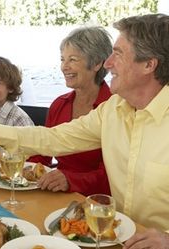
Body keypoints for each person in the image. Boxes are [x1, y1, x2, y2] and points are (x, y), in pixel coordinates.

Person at [0, 14, 169, 249]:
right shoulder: (114, 109)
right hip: (121, 248)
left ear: (149, 65)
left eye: (119, 54)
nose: (108, 63)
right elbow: (54, 138)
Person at [29, 27, 112, 196]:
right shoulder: (59, 105)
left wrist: (69, 180)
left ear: (97, 63)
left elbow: (112, 175)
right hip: (57, 192)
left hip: (96, 201)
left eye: (72, 60)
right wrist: (25, 168)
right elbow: (42, 155)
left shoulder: (114, 109)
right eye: (62, 59)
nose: (64, 67)